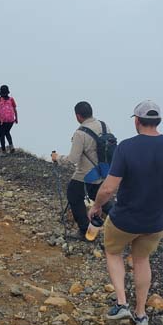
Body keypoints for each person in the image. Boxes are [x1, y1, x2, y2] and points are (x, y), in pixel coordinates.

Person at [88, 100, 163, 325]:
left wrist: (96, 207)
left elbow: (108, 188)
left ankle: (122, 303)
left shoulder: (126, 147)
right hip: (155, 221)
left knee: (113, 253)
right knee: (142, 260)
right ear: (158, 121)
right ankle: (141, 314)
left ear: (137, 121)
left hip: (124, 219)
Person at [58, 101, 113, 238]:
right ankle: (123, 222)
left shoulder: (80, 133)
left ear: (78, 116)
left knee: (73, 194)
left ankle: (84, 230)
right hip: (103, 170)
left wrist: (57, 158)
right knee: (100, 197)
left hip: (86, 174)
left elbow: (72, 160)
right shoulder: (104, 125)